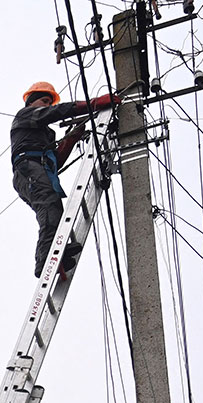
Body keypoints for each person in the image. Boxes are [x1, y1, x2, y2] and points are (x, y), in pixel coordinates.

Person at [10, 81, 119, 278]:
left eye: (49, 102)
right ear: (31, 102)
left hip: (39, 170)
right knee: (49, 205)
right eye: (44, 101)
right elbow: (56, 112)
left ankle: (55, 252)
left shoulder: (46, 133)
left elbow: (56, 161)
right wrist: (93, 103)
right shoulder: (25, 115)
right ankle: (45, 259)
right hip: (27, 168)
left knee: (55, 209)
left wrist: (71, 139)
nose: (48, 105)